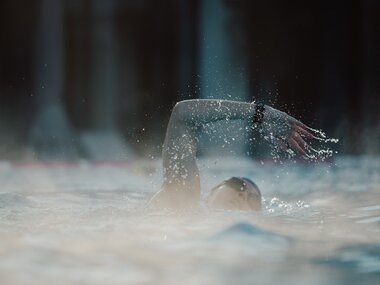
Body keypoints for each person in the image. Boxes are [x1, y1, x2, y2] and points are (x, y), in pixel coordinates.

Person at [149, 99, 316, 210]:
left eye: (253, 200)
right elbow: (182, 114)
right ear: (213, 191)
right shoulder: (182, 199)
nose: (243, 194)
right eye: (238, 184)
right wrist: (261, 113)